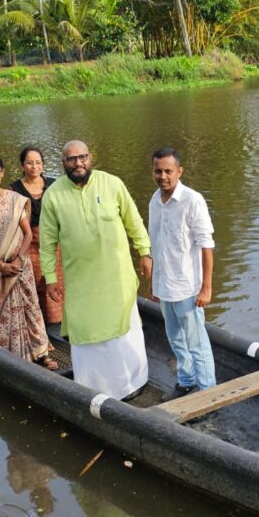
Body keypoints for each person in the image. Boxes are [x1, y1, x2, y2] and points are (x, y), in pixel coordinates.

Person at [39, 140, 151, 400]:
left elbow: (133, 220)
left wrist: (145, 252)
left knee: (125, 330)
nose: (78, 163)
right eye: (71, 159)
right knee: (87, 333)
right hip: (80, 281)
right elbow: (47, 243)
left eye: (82, 157)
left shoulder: (112, 184)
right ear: (63, 163)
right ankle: (95, 389)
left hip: (117, 276)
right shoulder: (53, 195)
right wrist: (51, 278)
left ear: (91, 158)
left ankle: (134, 384)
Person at [0, 153, 57, 370]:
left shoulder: (13, 199)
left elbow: (27, 234)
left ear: (3, 173)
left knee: (30, 308)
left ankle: (41, 353)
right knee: (0, 313)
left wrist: (18, 258)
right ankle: (6, 354)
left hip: (18, 266)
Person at [147, 148, 216, 401]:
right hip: (165, 286)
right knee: (175, 339)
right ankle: (186, 381)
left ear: (179, 171)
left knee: (197, 344)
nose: (163, 176)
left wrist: (206, 288)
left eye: (168, 171)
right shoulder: (154, 201)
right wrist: (153, 282)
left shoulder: (192, 200)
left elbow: (207, 246)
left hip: (188, 288)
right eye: (158, 171)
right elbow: (157, 244)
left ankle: (208, 395)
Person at [8, 145, 64, 326]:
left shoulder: (55, 184)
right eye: (30, 163)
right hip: (29, 243)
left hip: (54, 241)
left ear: (43, 165)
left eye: (38, 163)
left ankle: (59, 320)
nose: (34, 167)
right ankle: (38, 322)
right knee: (36, 282)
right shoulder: (14, 189)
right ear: (22, 165)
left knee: (57, 278)